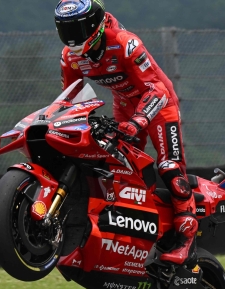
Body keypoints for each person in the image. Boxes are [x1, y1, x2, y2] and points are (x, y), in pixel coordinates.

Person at [55, 0, 198, 266]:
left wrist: (139, 121)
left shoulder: (124, 43)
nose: (72, 37)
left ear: (95, 23)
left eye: (79, 27)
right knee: (122, 166)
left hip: (158, 104)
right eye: (66, 29)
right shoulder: (70, 56)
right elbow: (69, 99)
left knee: (169, 167)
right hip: (123, 105)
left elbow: (156, 90)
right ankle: (139, 231)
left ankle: (186, 237)